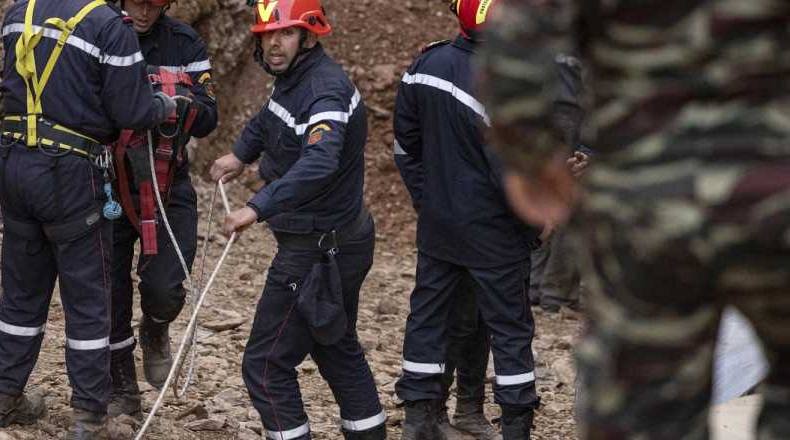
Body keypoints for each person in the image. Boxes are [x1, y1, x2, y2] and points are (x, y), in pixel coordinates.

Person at [480, 1, 790, 439]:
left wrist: (530, 157)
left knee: (645, 411)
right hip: (777, 194)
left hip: (648, 206)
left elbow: (520, 34)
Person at [0, 0, 177, 438]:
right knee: (88, 296)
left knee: (22, 290)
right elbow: (132, 112)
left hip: (13, 162)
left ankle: (1, 397)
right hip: (68, 173)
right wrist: (162, 105)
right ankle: (89, 415)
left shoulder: (17, 15)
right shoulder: (108, 27)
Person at [210, 1, 386, 438]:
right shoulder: (292, 79)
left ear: (309, 36)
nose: (273, 43)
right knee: (334, 344)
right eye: (267, 34)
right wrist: (240, 154)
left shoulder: (324, 91)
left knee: (266, 366)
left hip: (317, 249)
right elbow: (270, 120)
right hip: (334, 239)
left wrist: (256, 206)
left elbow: (319, 163)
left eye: (285, 33)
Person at [392, 0, 540, 438]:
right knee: (511, 332)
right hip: (496, 235)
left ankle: (419, 422)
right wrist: (532, 226)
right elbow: (512, 174)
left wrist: (431, 200)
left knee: (427, 321)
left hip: (439, 228)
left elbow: (405, 147)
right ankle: (516, 427)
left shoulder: (426, 64)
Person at [106, 0, 219, 420]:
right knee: (109, 292)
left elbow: (211, 113)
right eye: (136, 2)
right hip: (110, 184)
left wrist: (187, 108)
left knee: (167, 287)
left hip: (169, 180)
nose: (143, 13)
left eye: (153, 5)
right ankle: (120, 384)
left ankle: (155, 327)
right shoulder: (102, 31)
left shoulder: (183, 42)